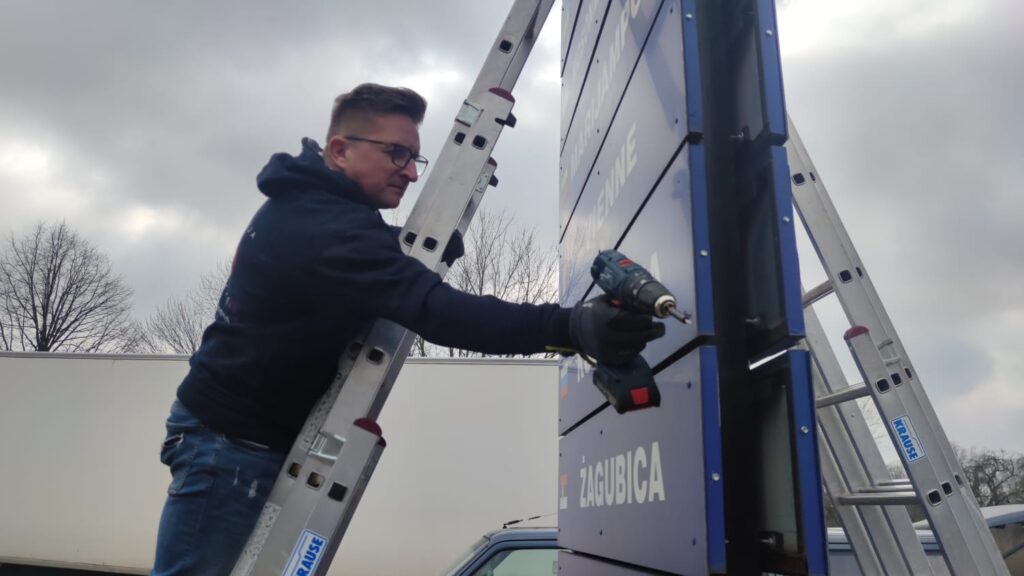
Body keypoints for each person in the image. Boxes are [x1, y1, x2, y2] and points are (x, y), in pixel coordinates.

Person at [151, 83, 663, 574]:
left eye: (416, 158)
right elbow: (438, 312)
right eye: (397, 153)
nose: (412, 173)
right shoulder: (324, 227)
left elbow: (342, 266)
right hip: (230, 446)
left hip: (239, 437)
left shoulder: (312, 208)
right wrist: (570, 326)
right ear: (340, 150)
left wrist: (403, 249)